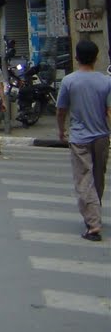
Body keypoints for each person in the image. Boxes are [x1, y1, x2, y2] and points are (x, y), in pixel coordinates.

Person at [56, 40, 111, 242]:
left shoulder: (69, 81)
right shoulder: (106, 81)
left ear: (76, 57)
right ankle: (95, 213)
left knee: (84, 180)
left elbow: (61, 110)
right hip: (101, 136)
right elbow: (109, 110)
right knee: (97, 177)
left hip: (79, 137)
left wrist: (61, 131)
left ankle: (94, 225)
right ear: (96, 58)